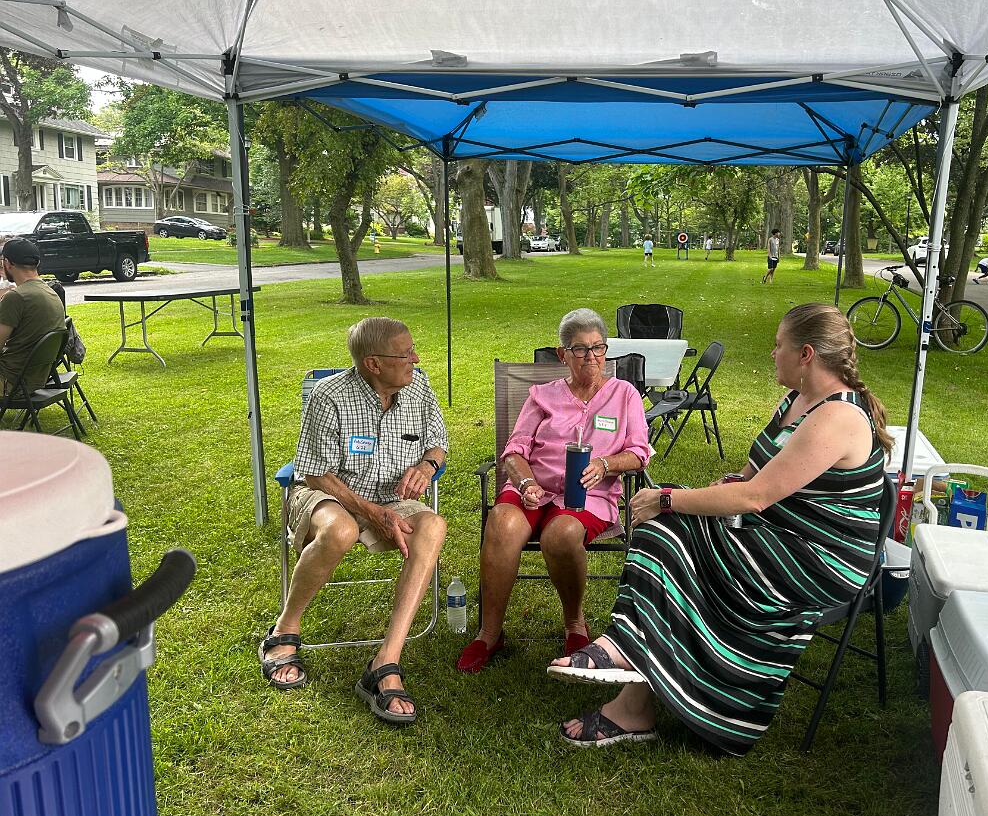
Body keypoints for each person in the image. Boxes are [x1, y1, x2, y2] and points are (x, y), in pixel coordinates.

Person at [549, 303, 893, 754]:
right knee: (664, 527)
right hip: (774, 533)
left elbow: (755, 497)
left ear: (806, 354)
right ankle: (631, 674)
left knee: (667, 519)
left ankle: (631, 663)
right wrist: (713, 489)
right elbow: (749, 476)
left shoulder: (838, 417)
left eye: (779, 345)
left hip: (818, 559)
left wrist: (669, 498)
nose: (772, 353)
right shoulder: (796, 400)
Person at [260, 317, 448, 726]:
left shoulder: (418, 387)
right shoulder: (329, 396)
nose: (416, 359)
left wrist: (427, 466)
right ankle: (284, 629)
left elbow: (438, 444)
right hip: (329, 493)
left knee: (434, 526)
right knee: (341, 530)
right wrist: (370, 513)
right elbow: (315, 473)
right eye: (406, 354)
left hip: (391, 499)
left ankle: (386, 661)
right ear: (373, 363)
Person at [457, 308, 650, 674]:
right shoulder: (542, 395)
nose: (591, 357)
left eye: (598, 347)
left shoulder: (624, 395)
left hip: (588, 495)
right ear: (563, 354)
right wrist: (525, 482)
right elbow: (515, 451)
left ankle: (575, 624)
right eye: (580, 349)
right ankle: (489, 633)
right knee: (502, 523)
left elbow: (639, 453)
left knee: (560, 535)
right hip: (533, 487)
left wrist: (606, 464)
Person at [0, 238, 66, 398]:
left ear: (7, 263)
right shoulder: (50, 292)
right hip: (34, 380)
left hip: (9, 383)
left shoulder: (16, 297)